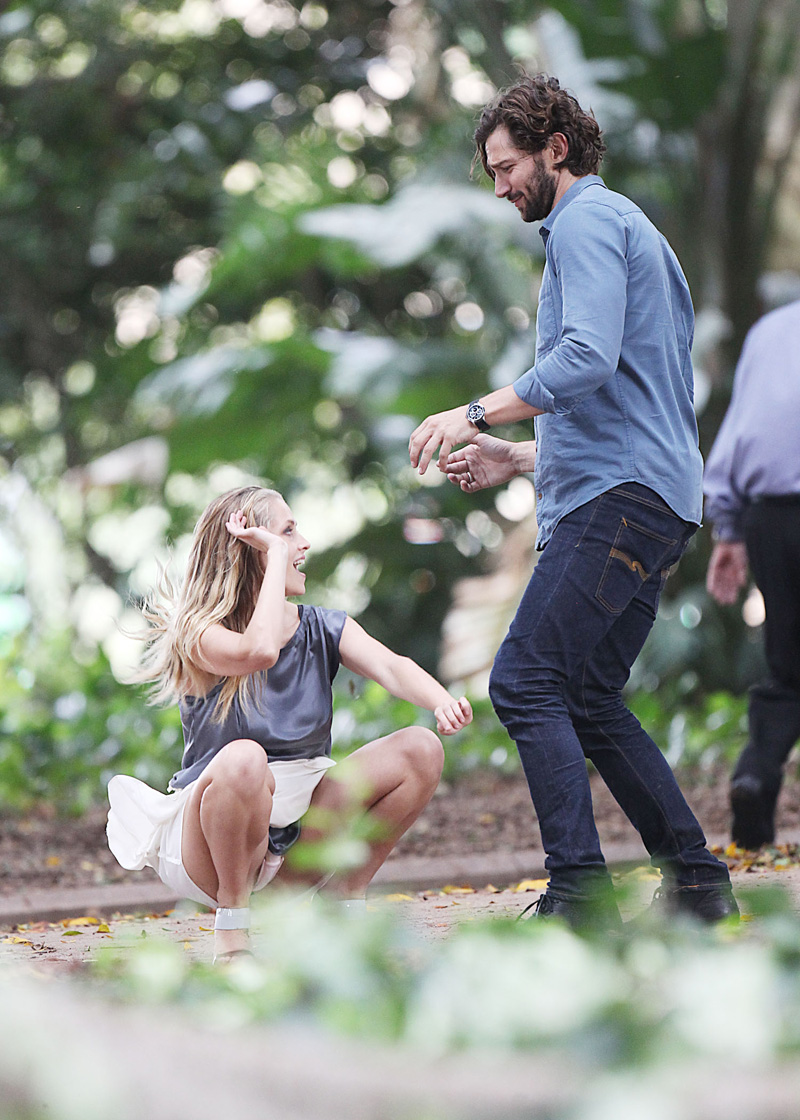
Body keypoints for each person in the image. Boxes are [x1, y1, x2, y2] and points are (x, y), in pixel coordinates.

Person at [408, 74, 737, 928]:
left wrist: (470, 411)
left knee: (524, 680)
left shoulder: (586, 221)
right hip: (652, 495)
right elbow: (626, 395)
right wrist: (514, 455)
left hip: (618, 501)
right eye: (491, 171)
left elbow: (585, 359)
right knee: (586, 695)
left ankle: (582, 895)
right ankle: (697, 882)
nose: (500, 186)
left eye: (508, 165)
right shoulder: (633, 231)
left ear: (556, 149)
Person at [107, 485, 472, 962]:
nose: (302, 543)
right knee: (244, 759)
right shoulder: (200, 632)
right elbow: (259, 651)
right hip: (214, 834)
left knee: (420, 749)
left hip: (301, 823)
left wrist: (441, 701)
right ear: (253, 550)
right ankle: (232, 927)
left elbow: (391, 667)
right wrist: (276, 556)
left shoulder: (321, 626)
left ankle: (341, 895)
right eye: (286, 532)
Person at [704, 299, 800, 849]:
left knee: (788, 665)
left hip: (769, 518)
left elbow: (741, 429)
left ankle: (755, 777)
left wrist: (730, 532)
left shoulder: (768, 332)